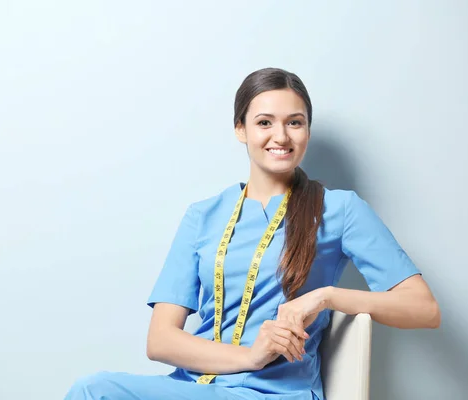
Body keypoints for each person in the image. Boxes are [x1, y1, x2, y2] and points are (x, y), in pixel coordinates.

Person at [64, 67, 441, 400]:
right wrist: (250, 356)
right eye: (264, 122)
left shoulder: (339, 210)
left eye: (295, 122)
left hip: (277, 392)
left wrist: (324, 297)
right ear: (240, 129)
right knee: (92, 390)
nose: (281, 135)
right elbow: (160, 340)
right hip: (195, 387)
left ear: (307, 130)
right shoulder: (203, 216)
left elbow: (423, 309)